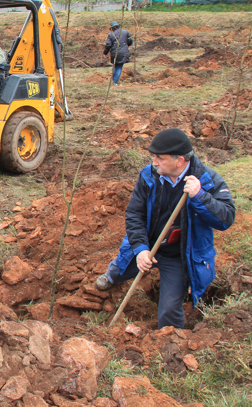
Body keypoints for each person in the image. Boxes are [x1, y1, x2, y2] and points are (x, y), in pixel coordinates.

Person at [95, 128, 235, 329]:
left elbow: (226, 219)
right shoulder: (149, 175)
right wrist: (141, 249)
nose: (154, 162)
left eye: (160, 158)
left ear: (179, 161)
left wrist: (200, 196)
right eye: (153, 157)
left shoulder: (206, 180)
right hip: (148, 244)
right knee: (120, 269)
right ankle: (112, 276)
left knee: (169, 311)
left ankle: (168, 344)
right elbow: (135, 214)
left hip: (179, 255)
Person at [103, 21, 133, 85]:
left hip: (114, 53)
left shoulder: (111, 34)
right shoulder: (125, 32)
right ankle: (115, 82)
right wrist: (126, 45)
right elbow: (130, 40)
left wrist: (105, 53)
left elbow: (108, 45)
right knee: (119, 67)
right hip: (123, 52)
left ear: (112, 28)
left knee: (116, 66)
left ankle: (114, 81)